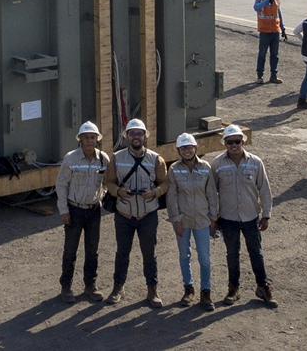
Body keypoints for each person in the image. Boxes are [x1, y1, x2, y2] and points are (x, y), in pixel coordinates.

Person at [103, 119, 169, 308]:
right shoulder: (116, 158)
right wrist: (118, 192)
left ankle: (152, 290)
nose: (136, 137)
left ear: (145, 136)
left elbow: (165, 183)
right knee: (122, 252)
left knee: (150, 253)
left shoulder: (156, 159)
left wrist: (154, 193)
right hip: (124, 214)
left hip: (148, 214)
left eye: (139, 133)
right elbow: (108, 182)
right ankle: (117, 288)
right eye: (132, 133)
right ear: (126, 137)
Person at [211, 125, 278, 308]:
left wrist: (266, 215)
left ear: (243, 142)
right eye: (230, 142)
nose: (234, 145)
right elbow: (211, 191)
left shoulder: (255, 162)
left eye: (237, 141)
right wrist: (213, 216)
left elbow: (264, 189)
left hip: (250, 217)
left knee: (256, 253)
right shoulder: (217, 164)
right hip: (228, 218)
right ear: (224, 143)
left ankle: (263, 287)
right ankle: (233, 288)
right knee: (232, 254)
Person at [55, 121, 110, 303]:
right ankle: (66, 286)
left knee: (92, 251)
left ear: (97, 140)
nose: (89, 141)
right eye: (86, 138)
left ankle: (90, 285)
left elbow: (107, 182)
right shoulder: (70, 159)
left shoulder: (103, 159)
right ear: (80, 140)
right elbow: (62, 185)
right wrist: (64, 210)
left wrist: (101, 197)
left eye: (93, 137)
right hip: (74, 210)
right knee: (70, 250)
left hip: (93, 211)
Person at [166, 133, 218, 311]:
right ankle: (188, 289)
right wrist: (176, 220)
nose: (187, 151)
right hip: (183, 219)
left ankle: (206, 291)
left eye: (189, 147)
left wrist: (213, 217)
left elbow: (211, 193)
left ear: (196, 148)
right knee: (184, 255)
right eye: (183, 148)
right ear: (178, 150)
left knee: (204, 258)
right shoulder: (173, 169)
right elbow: (171, 197)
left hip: (202, 219)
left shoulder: (205, 167)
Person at [253, 0, 288, 84]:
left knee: (275, 55)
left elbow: (279, 14)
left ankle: (274, 75)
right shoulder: (259, 0)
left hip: (275, 31)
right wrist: (266, 1)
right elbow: (256, 8)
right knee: (262, 54)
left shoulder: (276, 0)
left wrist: (283, 28)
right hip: (265, 31)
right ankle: (260, 76)